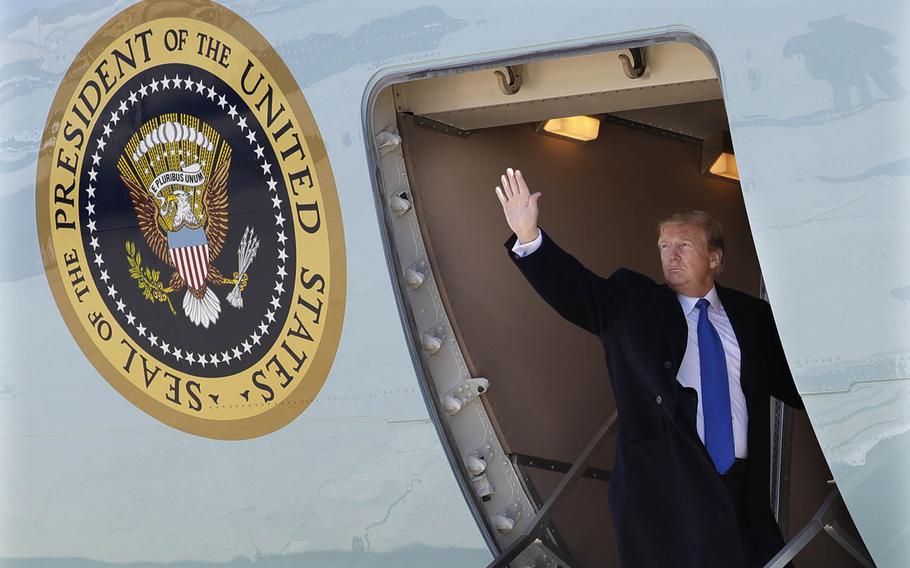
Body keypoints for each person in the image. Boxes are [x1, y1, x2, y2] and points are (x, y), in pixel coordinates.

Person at [494, 167, 804, 567]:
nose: (671, 255)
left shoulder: (752, 317)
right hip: (670, 490)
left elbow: (800, 385)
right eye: (664, 246)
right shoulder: (632, 303)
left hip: (742, 492)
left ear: (715, 257)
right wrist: (528, 237)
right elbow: (577, 291)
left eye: (685, 246)